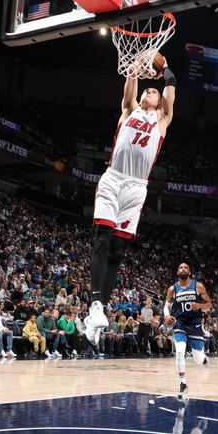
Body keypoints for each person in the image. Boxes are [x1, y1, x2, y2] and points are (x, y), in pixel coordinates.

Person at [85, 60, 178, 346]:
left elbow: (172, 85)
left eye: (154, 91)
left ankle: (95, 320)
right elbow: (130, 82)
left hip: (137, 188)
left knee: (118, 249)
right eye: (145, 90)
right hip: (114, 179)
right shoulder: (129, 110)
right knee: (102, 239)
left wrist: (164, 69)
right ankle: (96, 305)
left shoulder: (162, 119)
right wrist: (136, 66)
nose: (150, 91)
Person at [163, 263, 211, 399]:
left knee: (198, 359)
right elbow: (166, 306)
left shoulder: (198, 286)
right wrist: (167, 315)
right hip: (180, 324)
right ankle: (183, 384)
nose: (183, 269)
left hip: (195, 325)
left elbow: (209, 304)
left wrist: (200, 305)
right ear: (177, 272)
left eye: (185, 267)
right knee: (179, 351)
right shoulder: (173, 289)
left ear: (189, 272)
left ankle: (203, 358)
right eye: (180, 268)